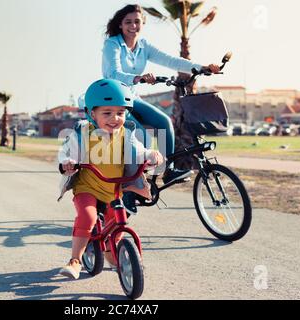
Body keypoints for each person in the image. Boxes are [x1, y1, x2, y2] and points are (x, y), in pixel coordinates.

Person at [102, 4, 221, 214]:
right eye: (128, 22)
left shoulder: (144, 46)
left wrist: (201, 67)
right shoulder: (113, 44)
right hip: (114, 100)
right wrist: (138, 78)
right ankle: (129, 192)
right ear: (120, 25)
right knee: (141, 137)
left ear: (142, 24)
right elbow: (113, 73)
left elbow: (170, 60)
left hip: (133, 97)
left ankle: (169, 170)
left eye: (137, 21)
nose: (133, 25)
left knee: (164, 122)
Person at [57, 79, 164, 279]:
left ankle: (110, 249)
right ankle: (75, 260)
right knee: (87, 217)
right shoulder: (83, 133)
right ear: (92, 114)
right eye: (107, 113)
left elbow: (138, 151)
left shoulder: (126, 134)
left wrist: (150, 155)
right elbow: (65, 153)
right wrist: (67, 163)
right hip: (87, 187)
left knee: (117, 219)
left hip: (113, 190)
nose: (115, 118)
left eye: (121, 113)